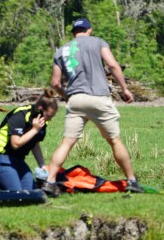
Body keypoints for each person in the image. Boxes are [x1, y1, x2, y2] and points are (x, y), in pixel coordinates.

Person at [42, 18, 143, 196]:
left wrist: (67, 96)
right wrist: (125, 89)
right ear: (89, 30)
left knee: (67, 142)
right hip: (99, 98)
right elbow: (112, 65)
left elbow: (55, 82)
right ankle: (132, 181)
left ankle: (49, 181)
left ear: (74, 32)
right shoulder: (98, 43)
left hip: (76, 100)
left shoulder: (61, 50)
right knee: (114, 141)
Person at [0, 91, 58, 191]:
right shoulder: (21, 115)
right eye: (48, 116)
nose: (50, 120)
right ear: (40, 109)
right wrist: (34, 130)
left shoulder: (41, 122)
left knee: (30, 192)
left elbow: (34, 144)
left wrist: (42, 165)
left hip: (18, 160)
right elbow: (15, 143)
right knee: (17, 193)